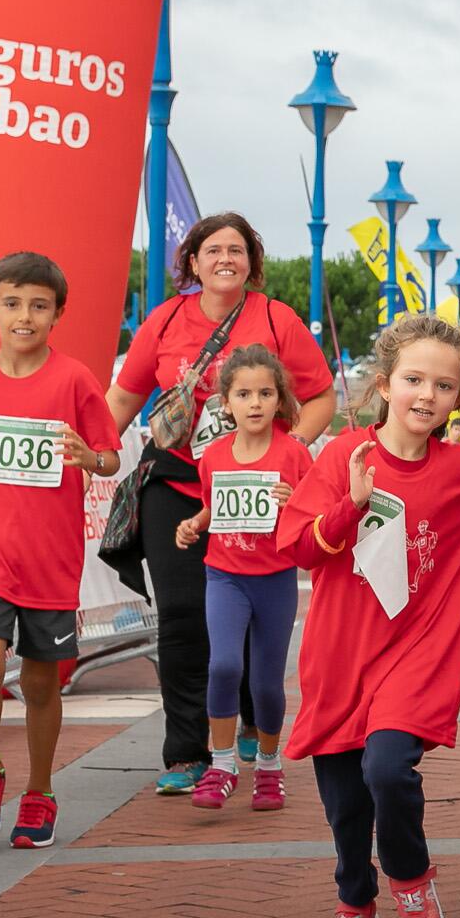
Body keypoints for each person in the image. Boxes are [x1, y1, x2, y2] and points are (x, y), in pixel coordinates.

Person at [278, 316, 460, 918]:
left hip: (417, 657)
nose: (427, 395)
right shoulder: (342, 455)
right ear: (385, 385)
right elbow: (298, 545)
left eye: (444, 386)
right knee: (346, 808)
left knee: (387, 769)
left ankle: (412, 881)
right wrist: (350, 506)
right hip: (340, 659)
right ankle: (355, 895)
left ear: (458, 400)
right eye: (414, 379)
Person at [107, 213, 333, 795]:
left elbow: (321, 395)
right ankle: (189, 753)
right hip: (178, 484)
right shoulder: (165, 320)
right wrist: (89, 451)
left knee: (254, 625)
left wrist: (291, 448)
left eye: (237, 249)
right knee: (184, 616)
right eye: (213, 250)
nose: (224, 259)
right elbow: (125, 397)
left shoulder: (276, 320)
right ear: (193, 261)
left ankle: (252, 732)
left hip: (254, 491)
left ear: (251, 261)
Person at [0, 252, 122, 850]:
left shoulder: (75, 380)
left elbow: (108, 454)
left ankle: (39, 790)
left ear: (57, 314)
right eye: (12, 304)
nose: (24, 316)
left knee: (40, 683)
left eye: (38, 305)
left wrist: (91, 460)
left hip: (50, 559)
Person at [171, 347, 310, 813]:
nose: (255, 403)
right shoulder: (212, 456)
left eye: (265, 393)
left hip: (274, 579)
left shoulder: (293, 453)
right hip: (225, 576)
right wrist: (196, 523)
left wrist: (295, 504)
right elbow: (215, 506)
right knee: (225, 666)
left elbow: (315, 515)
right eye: (244, 394)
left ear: (279, 400)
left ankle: (268, 767)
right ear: (225, 402)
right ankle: (223, 763)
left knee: (267, 684)